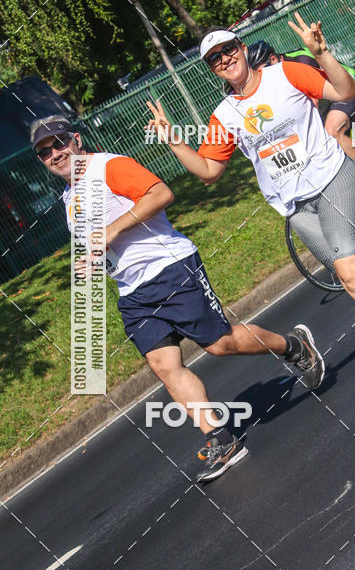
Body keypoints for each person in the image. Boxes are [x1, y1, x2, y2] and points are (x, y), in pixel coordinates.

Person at [146, 14, 355, 397]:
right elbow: (208, 172)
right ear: (212, 70)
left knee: (353, 274)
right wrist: (175, 142)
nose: (224, 59)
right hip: (296, 207)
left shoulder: (284, 75)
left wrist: (323, 54)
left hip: (333, 179)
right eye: (214, 59)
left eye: (228, 50)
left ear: (242, 48)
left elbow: (343, 90)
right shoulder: (224, 116)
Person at [31, 115, 324, 482]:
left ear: (75, 139)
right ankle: (221, 439)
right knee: (163, 366)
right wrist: (91, 261)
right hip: (132, 292)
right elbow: (98, 242)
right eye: (45, 153)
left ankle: (294, 347)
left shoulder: (109, 167)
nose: (55, 154)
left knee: (220, 344)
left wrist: (111, 231)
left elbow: (161, 194)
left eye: (58, 144)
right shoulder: (69, 196)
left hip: (170, 269)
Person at [246, 40, 355, 203]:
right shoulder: (276, 76)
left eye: (263, 71)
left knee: (332, 131)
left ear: (274, 59)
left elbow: (312, 102)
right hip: (329, 100)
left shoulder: (301, 61)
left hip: (349, 90)